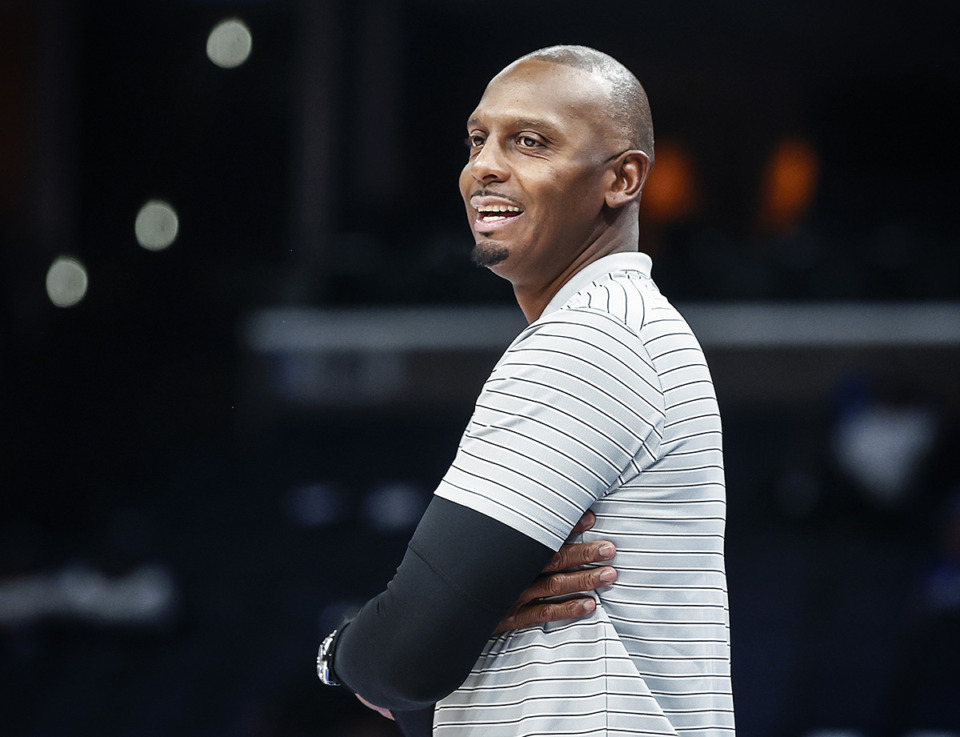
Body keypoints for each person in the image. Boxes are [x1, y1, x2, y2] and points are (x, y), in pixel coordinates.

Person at [316, 45, 735, 736]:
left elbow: (403, 660)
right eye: (478, 139)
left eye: (530, 141)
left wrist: (344, 653)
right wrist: (456, 627)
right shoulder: (626, 325)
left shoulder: (589, 340)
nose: (484, 165)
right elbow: (424, 680)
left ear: (623, 178)